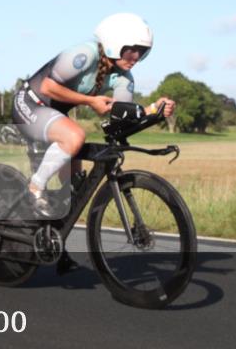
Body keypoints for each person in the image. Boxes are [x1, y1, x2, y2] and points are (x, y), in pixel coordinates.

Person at [12, 12, 176, 237]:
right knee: (75, 136)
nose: (136, 56)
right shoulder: (84, 54)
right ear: (114, 42)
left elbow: (121, 116)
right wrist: (90, 101)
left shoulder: (124, 77)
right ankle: (35, 187)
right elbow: (48, 88)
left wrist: (152, 111)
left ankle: (50, 240)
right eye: (132, 49)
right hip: (30, 103)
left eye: (142, 51)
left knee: (72, 189)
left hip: (54, 113)